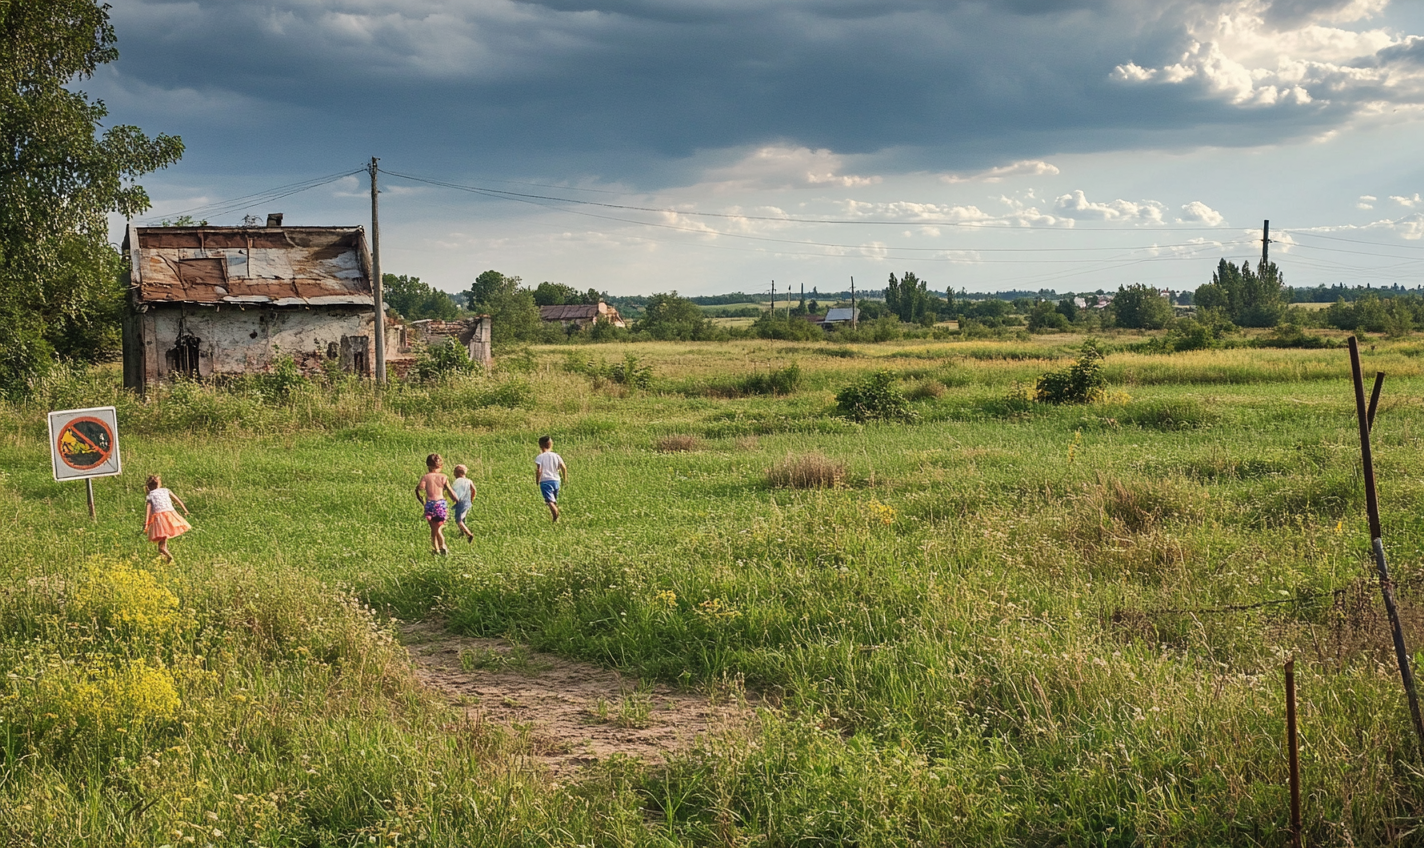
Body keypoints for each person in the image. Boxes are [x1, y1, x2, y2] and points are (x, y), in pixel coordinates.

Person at [143, 474, 192, 562]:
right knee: (164, 538)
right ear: (159, 484)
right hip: (170, 515)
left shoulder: (150, 495)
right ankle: (165, 558)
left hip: (159, 517)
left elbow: (148, 509)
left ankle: (165, 553)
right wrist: (185, 510)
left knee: (162, 542)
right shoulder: (166, 490)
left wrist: (146, 523)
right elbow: (178, 500)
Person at [415, 453, 454, 555]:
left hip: (430, 505)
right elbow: (449, 490)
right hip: (441, 504)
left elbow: (420, 488)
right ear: (441, 465)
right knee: (439, 528)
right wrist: (456, 500)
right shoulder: (443, 477)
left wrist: (421, 500)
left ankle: (436, 549)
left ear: (428, 465)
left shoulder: (426, 477)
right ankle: (443, 546)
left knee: (433, 529)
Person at [534, 435, 567, 523]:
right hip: (556, 480)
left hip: (545, 481)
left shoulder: (540, 457)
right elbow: (563, 467)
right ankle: (555, 517)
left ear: (540, 445)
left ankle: (555, 519)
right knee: (553, 500)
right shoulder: (556, 456)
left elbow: (539, 470)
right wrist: (564, 479)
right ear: (550, 444)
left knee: (550, 502)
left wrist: (537, 480)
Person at [449, 464, 476, 544]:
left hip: (460, 502)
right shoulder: (469, 481)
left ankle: (469, 534)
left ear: (457, 473)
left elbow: (453, 491)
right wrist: (471, 499)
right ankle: (462, 533)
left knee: (458, 520)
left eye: (454, 472)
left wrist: (453, 499)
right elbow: (474, 490)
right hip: (467, 502)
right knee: (462, 518)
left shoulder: (458, 481)